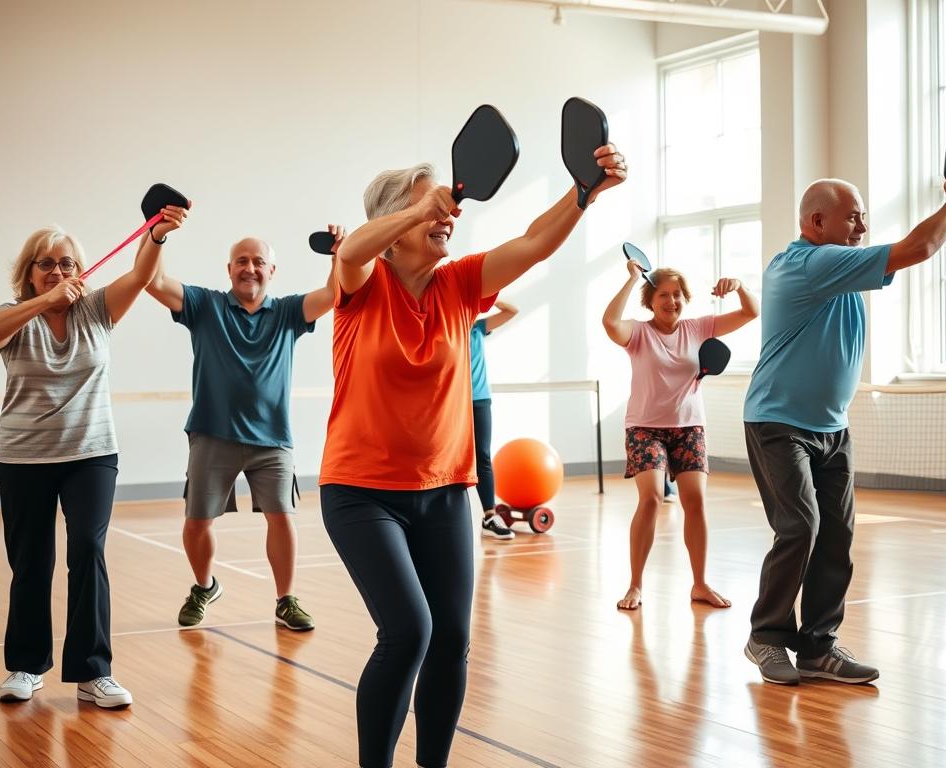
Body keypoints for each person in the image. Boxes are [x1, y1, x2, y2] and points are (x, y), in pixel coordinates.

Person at [321, 143, 625, 768]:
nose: (446, 218)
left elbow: (535, 242)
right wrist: (421, 209)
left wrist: (585, 192)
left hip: (443, 492)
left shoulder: (460, 285)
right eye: (426, 208)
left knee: (453, 640)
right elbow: (350, 250)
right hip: (360, 493)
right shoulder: (362, 283)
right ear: (393, 225)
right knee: (408, 631)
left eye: (444, 208)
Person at [742, 173, 946, 686]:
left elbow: (907, 252)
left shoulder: (840, 270)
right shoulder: (807, 264)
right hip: (778, 423)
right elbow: (921, 246)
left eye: (863, 214)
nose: (863, 225)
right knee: (801, 527)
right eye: (852, 216)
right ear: (815, 222)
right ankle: (766, 637)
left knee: (838, 535)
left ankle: (818, 647)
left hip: (832, 427)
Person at [0, 208, 184, 707]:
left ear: (81, 271)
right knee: (32, 561)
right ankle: (25, 666)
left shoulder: (96, 310)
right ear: (28, 273)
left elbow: (140, 274)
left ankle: (94, 673)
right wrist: (44, 300)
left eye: (67, 264)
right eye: (45, 264)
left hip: (91, 454)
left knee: (87, 550)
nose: (58, 271)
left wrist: (155, 235)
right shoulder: (13, 314)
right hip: (24, 457)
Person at [143, 224, 344, 630]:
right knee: (197, 523)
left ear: (272, 270)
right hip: (212, 434)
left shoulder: (289, 311)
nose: (249, 268)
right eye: (241, 261)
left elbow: (334, 295)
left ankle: (285, 600)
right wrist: (157, 236)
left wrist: (339, 253)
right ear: (229, 268)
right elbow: (154, 281)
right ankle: (204, 586)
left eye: (257, 262)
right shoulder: (205, 306)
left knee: (282, 518)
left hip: (272, 440)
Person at [603, 262, 758, 611]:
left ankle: (700, 584)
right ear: (650, 300)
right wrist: (630, 278)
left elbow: (751, 312)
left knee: (696, 502)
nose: (671, 301)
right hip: (644, 428)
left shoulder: (699, 327)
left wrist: (739, 286)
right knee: (652, 499)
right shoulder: (639, 334)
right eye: (663, 295)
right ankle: (635, 585)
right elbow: (610, 323)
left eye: (677, 294)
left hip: (689, 428)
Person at [470, 299, 519, 540]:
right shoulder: (442, 327)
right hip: (448, 402)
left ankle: (489, 516)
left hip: (479, 400)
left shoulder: (477, 327)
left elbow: (511, 311)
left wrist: (486, 296)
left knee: (483, 456)